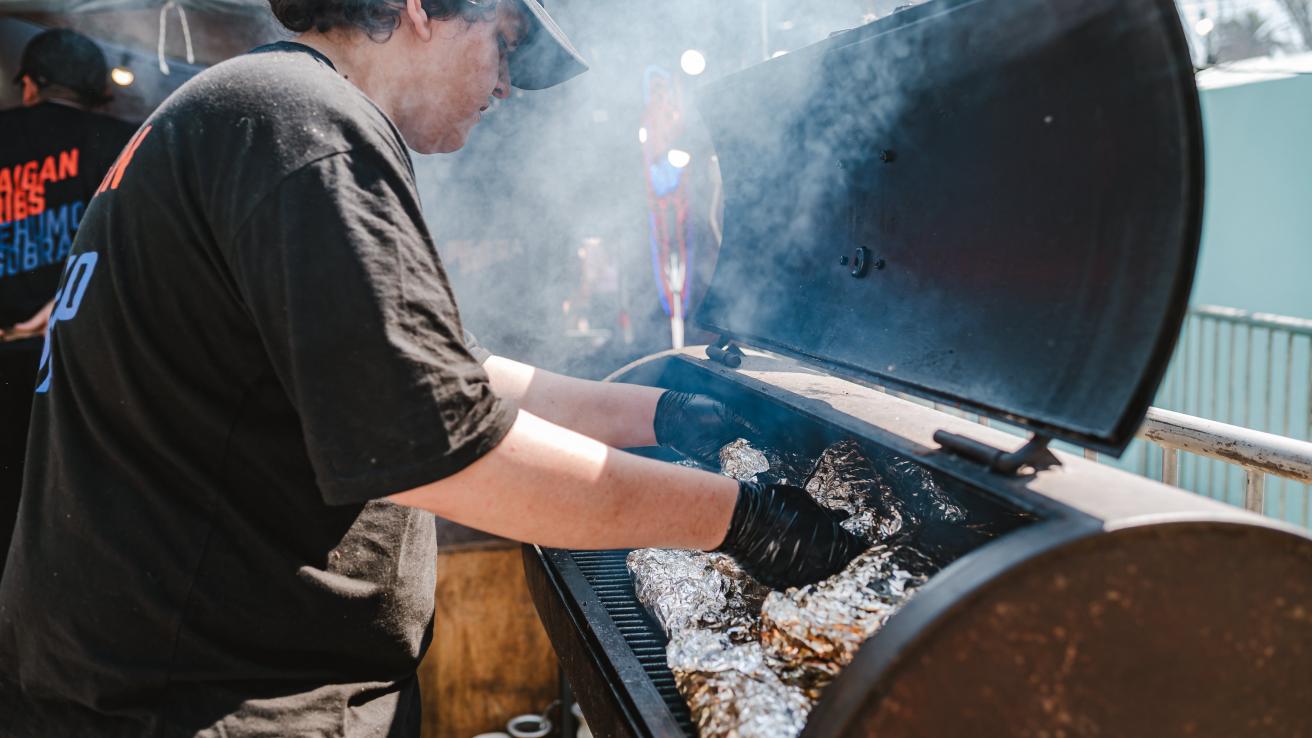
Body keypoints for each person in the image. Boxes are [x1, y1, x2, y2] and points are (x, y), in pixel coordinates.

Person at [0, 1, 865, 736]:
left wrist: (664, 413)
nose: (508, 87)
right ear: (418, 8)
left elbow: (446, 377)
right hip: (215, 699)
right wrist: (746, 521)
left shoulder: (246, 108)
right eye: (507, 45)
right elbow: (453, 450)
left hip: (139, 674)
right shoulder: (306, 129)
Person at [0, 29, 137, 567]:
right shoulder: (133, 143)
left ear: (30, 85)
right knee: (74, 535)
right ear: (98, 93)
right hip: (84, 373)